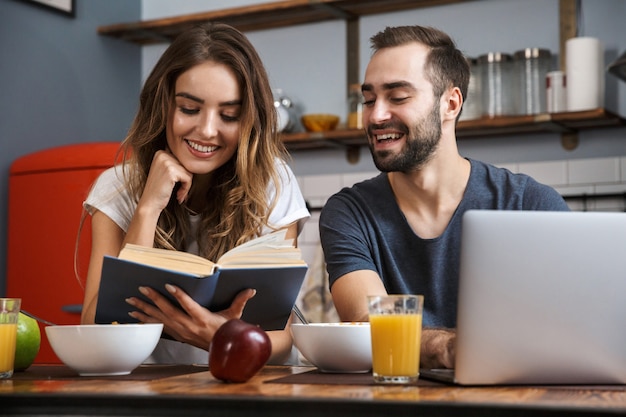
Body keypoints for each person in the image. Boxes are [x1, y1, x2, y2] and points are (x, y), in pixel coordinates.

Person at [319, 25, 570, 369]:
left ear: (450, 103)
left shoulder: (530, 204)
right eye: (369, 99)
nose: (376, 115)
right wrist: (449, 347)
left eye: (398, 97)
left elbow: (567, 327)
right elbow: (367, 323)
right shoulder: (349, 212)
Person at [80, 22, 310, 365]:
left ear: (248, 120)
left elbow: (283, 336)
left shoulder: (272, 183)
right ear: (164, 106)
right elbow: (98, 329)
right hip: (151, 392)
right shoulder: (117, 187)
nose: (207, 130)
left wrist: (219, 338)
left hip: (247, 386)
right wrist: (147, 209)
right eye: (189, 108)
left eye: (229, 115)